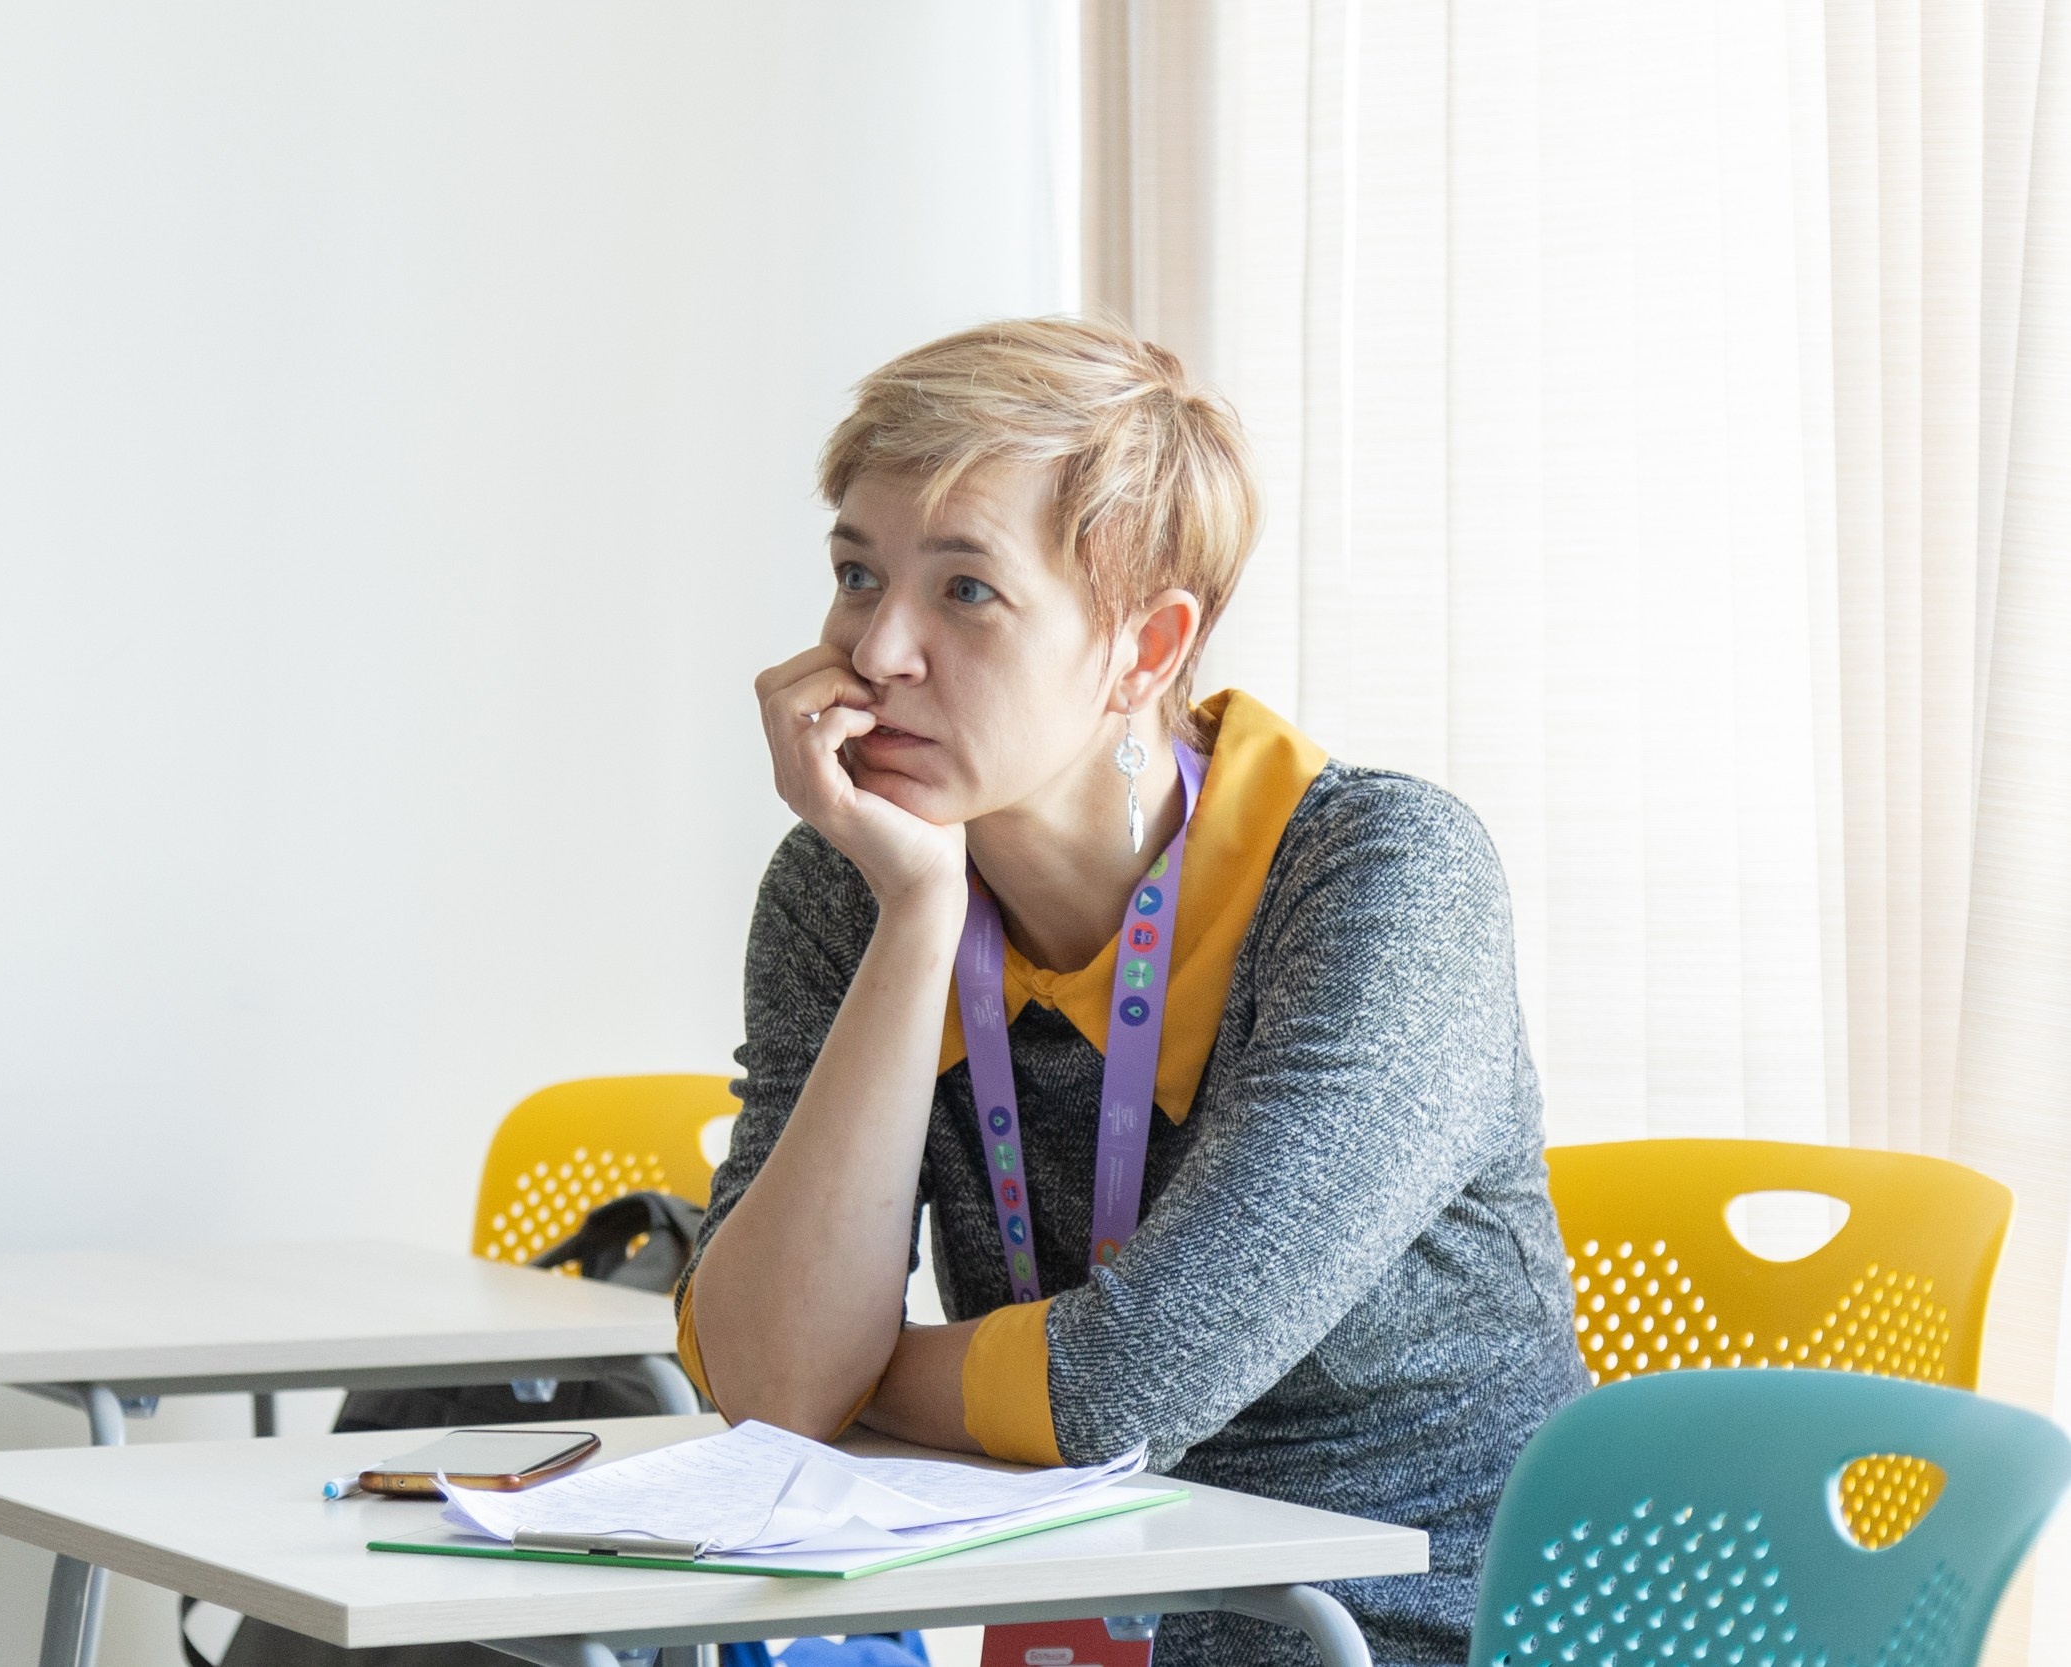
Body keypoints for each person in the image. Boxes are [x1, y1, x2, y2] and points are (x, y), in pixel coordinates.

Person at [672, 318, 1590, 1667]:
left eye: (966, 591)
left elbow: (1124, 1385)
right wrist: (918, 913)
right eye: (857, 575)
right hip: (1092, 1631)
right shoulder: (845, 891)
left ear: (1144, 649)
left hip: (1417, 1635)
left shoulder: (1381, 879)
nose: (877, 654)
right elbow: (765, 1389)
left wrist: (862, 1372)